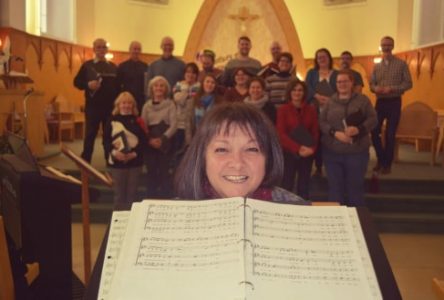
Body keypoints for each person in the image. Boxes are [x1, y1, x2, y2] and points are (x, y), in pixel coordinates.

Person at [174, 102, 310, 205]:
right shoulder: (175, 214)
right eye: (222, 150)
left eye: (251, 149)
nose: (238, 163)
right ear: (202, 158)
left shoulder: (295, 209)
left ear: (268, 158)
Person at [319, 70, 377, 206]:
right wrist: (335, 133)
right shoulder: (330, 102)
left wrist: (359, 129)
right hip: (332, 153)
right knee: (335, 190)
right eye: (339, 82)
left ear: (352, 83)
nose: (342, 84)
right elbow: (321, 122)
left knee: (355, 190)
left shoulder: (363, 100)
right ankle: (335, 224)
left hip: (357, 153)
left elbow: (373, 119)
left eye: (345, 81)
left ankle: (355, 223)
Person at [370, 36, 412, 174]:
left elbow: (408, 83)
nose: (386, 47)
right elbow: (371, 84)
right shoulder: (376, 66)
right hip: (380, 102)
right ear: (381, 47)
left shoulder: (401, 64)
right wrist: (375, 89)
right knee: (374, 131)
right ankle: (381, 159)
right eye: (384, 45)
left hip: (394, 101)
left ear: (393, 46)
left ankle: (387, 164)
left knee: (390, 134)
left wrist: (392, 89)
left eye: (388, 45)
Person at [73, 38, 118, 163]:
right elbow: (76, 82)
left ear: (107, 49)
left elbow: (118, 87)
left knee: (108, 136)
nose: (101, 50)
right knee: (90, 135)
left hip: (110, 108)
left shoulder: (114, 67)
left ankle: (109, 163)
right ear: (94, 49)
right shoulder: (87, 65)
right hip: (93, 107)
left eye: (104, 47)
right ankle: (85, 164)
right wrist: (88, 85)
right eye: (99, 47)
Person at [276, 80, 319, 199]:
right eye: (294, 90)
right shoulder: (282, 110)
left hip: (307, 153)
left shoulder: (311, 109)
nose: (297, 92)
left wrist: (312, 149)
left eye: (300, 90)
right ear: (289, 92)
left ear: (304, 93)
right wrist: (298, 148)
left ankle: (303, 212)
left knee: (304, 185)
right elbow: (281, 133)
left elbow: (315, 132)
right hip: (289, 152)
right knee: (287, 183)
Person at [103, 92, 147, 205]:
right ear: (118, 105)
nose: (126, 105)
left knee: (132, 196)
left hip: (134, 163)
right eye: (123, 103)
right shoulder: (111, 120)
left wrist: (134, 154)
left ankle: (131, 222)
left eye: (129, 103)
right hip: (117, 163)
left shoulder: (139, 121)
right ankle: (118, 221)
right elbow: (106, 141)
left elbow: (144, 141)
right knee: (119, 196)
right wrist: (114, 152)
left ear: (133, 106)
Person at [141, 76, 177, 199]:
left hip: (165, 142)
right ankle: (151, 200)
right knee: (151, 173)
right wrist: (150, 140)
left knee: (164, 173)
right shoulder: (146, 106)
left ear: (166, 89)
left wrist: (162, 139)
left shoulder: (170, 104)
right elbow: (143, 126)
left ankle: (165, 200)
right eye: (156, 85)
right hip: (150, 142)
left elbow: (174, 125)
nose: (159, 88)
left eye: (162, 86)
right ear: (152, 88)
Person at [305, 48, 338, 176]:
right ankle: (318, 167)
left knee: (330, 139)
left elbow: (341, 90)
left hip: (332, 111)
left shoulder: (336, 74)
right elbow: (306, 88)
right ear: (316, 60)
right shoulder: (312, 73)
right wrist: (316, 96)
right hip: (315, 110)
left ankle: (331, 167)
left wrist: (331, 99)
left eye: (324, 57)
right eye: (319, 57)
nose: (322, 59)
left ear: (329, 58)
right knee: (316, 139)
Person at [173, 62, 200, 151]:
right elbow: (177, 99)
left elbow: (193, 100)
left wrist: (183, 93)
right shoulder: (178, 84)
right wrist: (187, 89)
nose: (190, 75)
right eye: (188, 72)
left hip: (193, 123)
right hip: (179, 122)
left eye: (193, 73)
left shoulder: (199, 86)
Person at [116, 41, 148, 113]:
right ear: (130, 50)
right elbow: (117, 85)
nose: (136, 51)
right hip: (126, 102)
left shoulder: (145, 66)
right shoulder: (122, 66)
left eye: (138, 49)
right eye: (134, 49)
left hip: (140, 100)